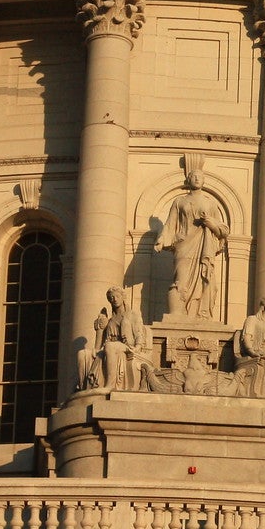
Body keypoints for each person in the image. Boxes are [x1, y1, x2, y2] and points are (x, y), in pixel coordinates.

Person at [160, 160, 229, 319]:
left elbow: (222, 230)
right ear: (188, 180)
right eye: (194, 176)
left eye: (200, 177)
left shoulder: (210, 203)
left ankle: (201, 313)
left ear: (204, 181)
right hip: (184, 244)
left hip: (204, 245)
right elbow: (170, 223)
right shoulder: (179, 201)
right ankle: (178, 313)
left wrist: (209, 222)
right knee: (181, 279)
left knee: (204, 278)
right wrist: (162, 239)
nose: (197, 179)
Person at [81, 286, 149, 391]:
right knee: (82, 354)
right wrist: (99, 328)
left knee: (110, 346)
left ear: (123, 297)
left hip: (127, 346)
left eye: (117, 296)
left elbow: (139, 334)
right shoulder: (110, 319)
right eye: (111, 298)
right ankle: (82, 388)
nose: (115, 299)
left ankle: (110, 385)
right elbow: (100, 344)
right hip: (109, 347)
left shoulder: (132, 315)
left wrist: (137, 347)